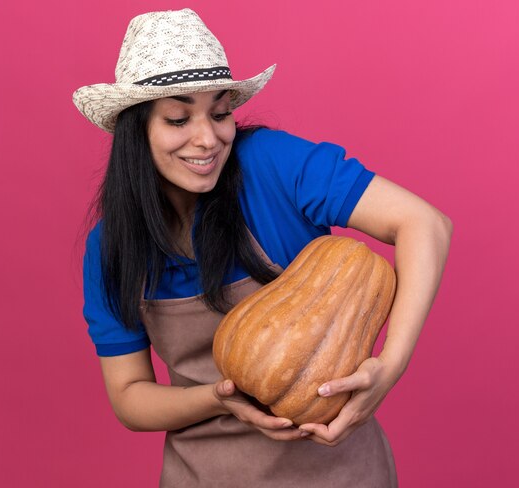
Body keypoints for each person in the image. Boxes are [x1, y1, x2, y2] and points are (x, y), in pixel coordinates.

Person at [73, 8, 452, 488]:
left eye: (220, 111)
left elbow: (425, 223)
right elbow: (129, 396)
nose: (208, 139)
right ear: (136, 131)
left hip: (340, 472)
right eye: (177, 117)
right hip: (203, 474)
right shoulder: (111, 247)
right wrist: (219, 396)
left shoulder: (270, 164)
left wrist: (389, 366)